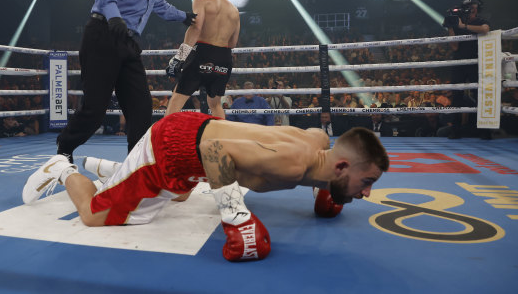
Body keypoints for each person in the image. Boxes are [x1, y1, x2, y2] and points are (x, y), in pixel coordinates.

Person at [23, 112, 389, 262]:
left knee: (180, 195)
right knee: (96, 214)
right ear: (342, 166)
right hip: (170, 150)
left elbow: (319, 135)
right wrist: (236, 217)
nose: (367, 192)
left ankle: (116, 170)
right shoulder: (293, 162)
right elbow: (214, 152)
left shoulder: (317, 148)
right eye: (367, 181)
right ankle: (61, 167)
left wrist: (327, 188)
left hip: (195, 136)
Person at [55, 0, 197, 163]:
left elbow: (161, 7)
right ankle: (64, 147)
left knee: (141, 107)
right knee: (95, 109)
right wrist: (113, 16)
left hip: (129, 43)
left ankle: (135, 163)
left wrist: (185, 17)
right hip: (105, 34)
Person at [165, 0, 240, 119]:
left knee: (177, 99)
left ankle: (163, 140)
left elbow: (196, 28)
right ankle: (220, 140)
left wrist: (180, 57)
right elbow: (232, 43)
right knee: (215, 104)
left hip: (202, 53)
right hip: (223, 57)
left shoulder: (201, 0)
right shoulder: (234, 11)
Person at [446, 0, 491, 139]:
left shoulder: (480, 21)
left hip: (475, 62)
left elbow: (485, 29)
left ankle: (484, 130)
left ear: (477, 9)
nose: (471, 10)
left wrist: (463, 26)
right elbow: (454, 46)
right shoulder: (458, 22)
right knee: (456, 96)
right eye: (468, 7)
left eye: (473, 7)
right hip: (458, 63)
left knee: (479, 95)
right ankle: (455, 130)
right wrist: (451, 27)